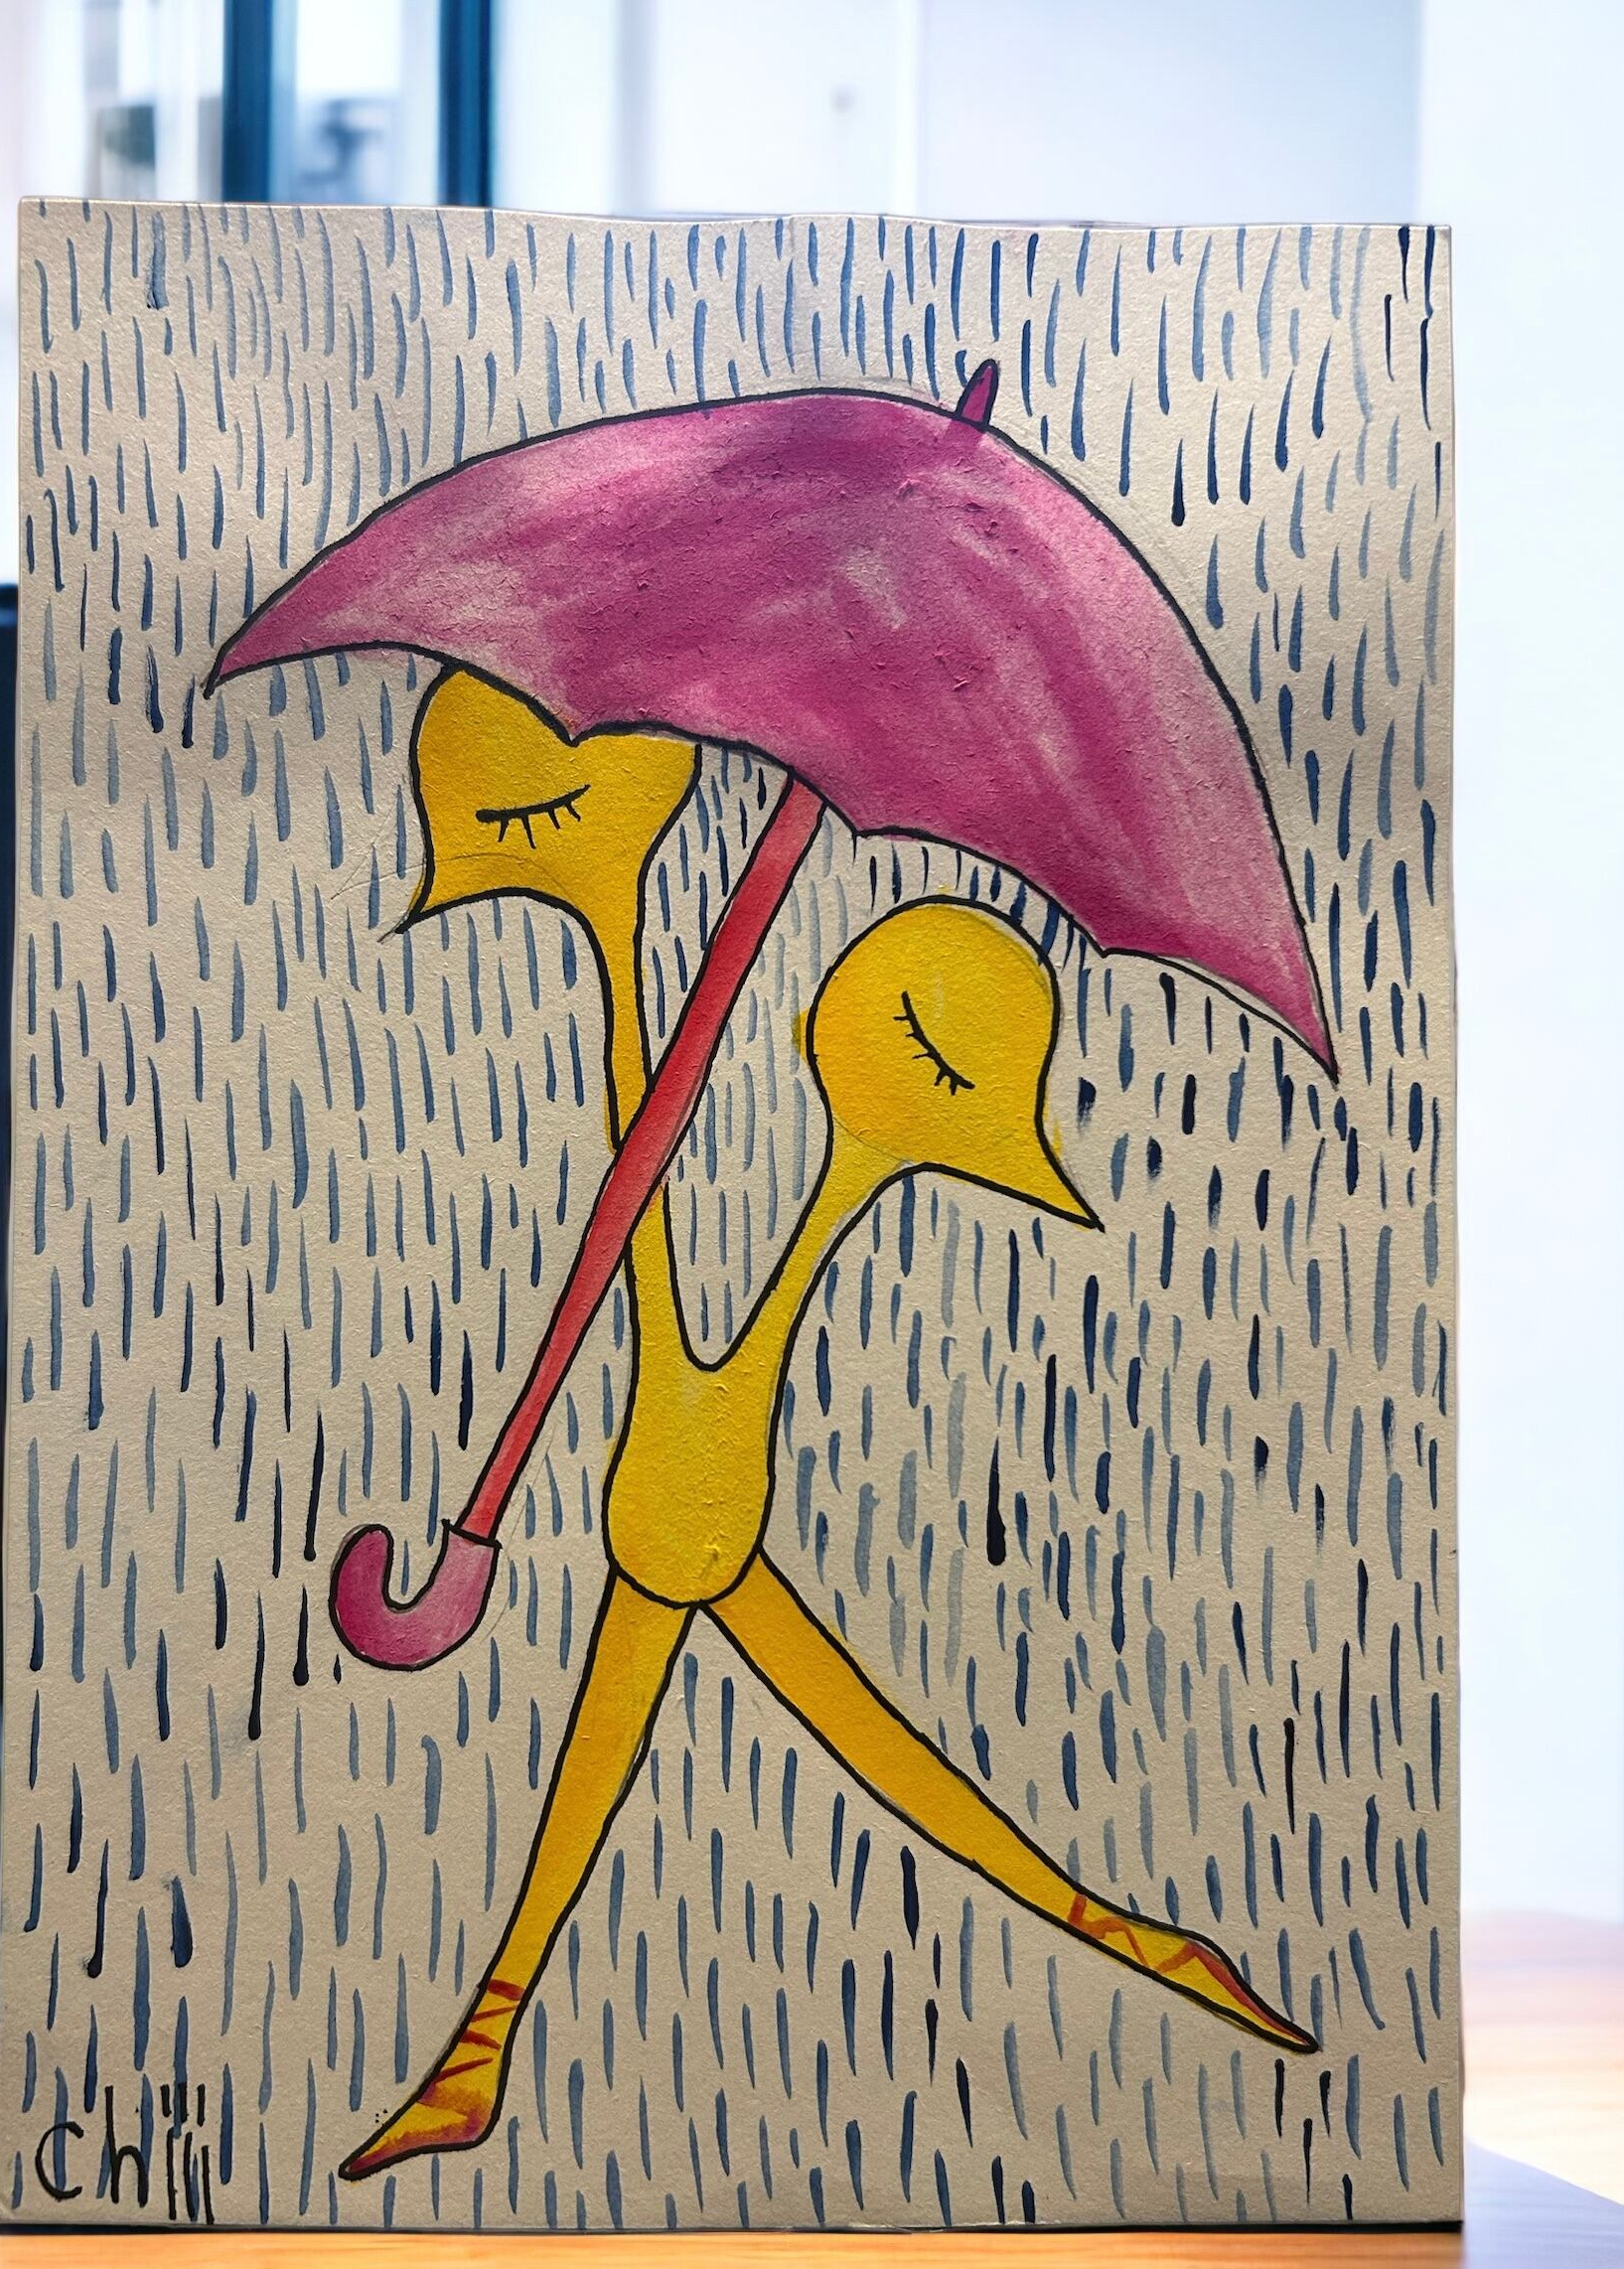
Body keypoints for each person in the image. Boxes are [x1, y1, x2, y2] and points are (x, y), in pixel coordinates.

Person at [343, 671, 1312, 2180]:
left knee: (736, 1650)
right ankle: (1132, 1936)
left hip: (685, 1480)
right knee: (844, 1720)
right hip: (685, 1479)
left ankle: (483, 2044)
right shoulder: (701, 969)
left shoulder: (807, 1043)